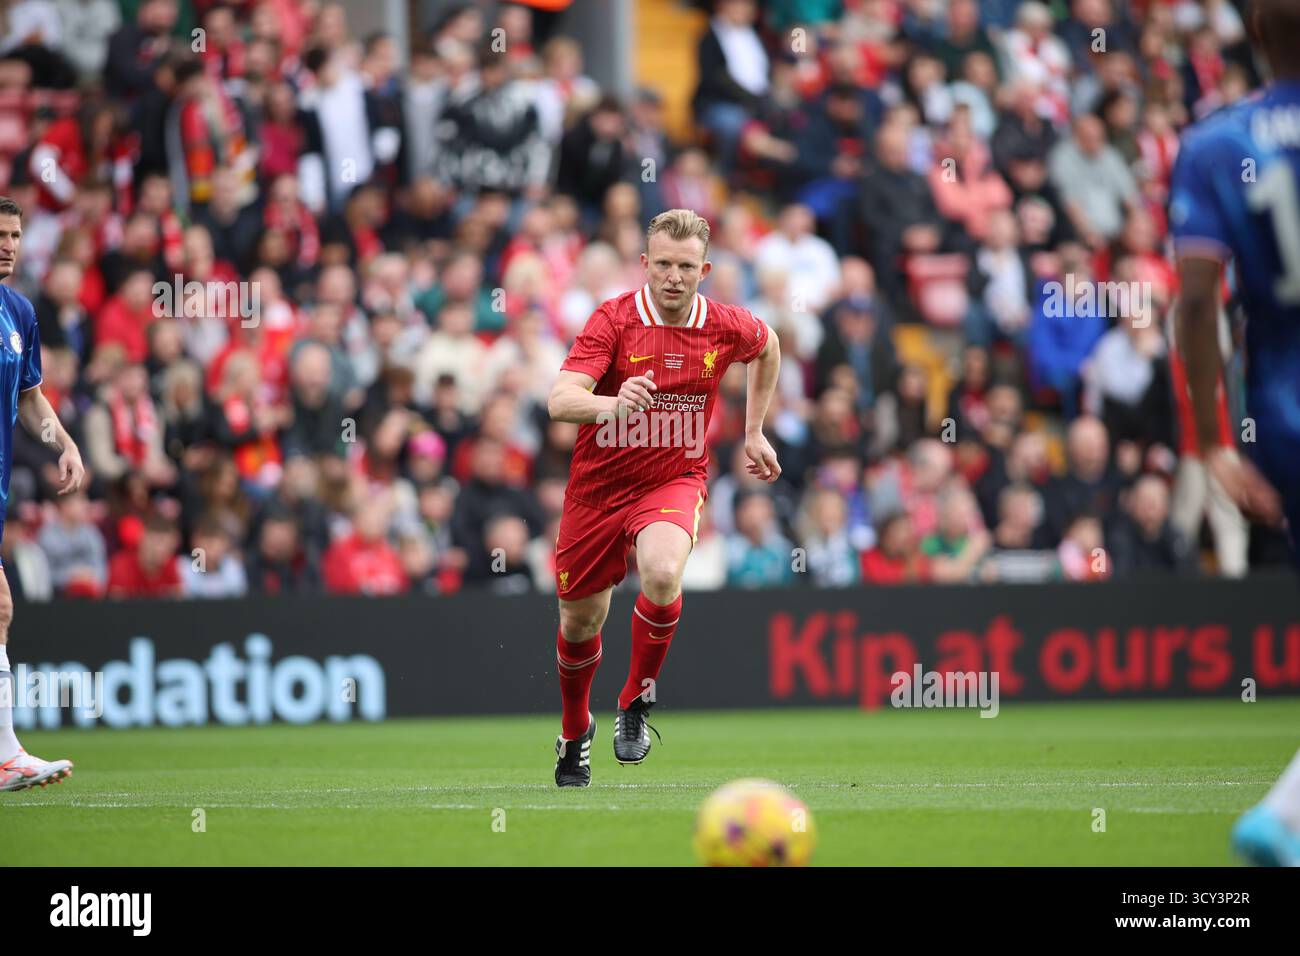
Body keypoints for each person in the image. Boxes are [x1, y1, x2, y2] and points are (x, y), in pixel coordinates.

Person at [546, 209, 780, 786]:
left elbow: (768, 345)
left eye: (686, 266)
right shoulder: (613, 320)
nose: (674, 277)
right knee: (581, 622)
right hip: (598, 491)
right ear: (645, 264)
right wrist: (611, 404)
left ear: (705, 268)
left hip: (671, 481)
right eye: (663, 265)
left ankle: (634, 703)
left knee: (661, 572)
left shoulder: (724, 324)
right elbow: (559, 399)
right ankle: (576, 730)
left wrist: (753, 431)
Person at [1169, 0, 1300, 866]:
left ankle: (1285, 813)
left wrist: (1214, 436)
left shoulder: (1216, 144)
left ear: (1254, 37)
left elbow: (1194, 300)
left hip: (1283, 412)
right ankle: (1283, 814)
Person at [0, 196, 87, 792]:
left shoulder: (19, 311)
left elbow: (30, 398)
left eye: (15, 235)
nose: (9, 244)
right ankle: (6, 755)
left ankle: (6, 755)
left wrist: (66, 444)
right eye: (0, 234)